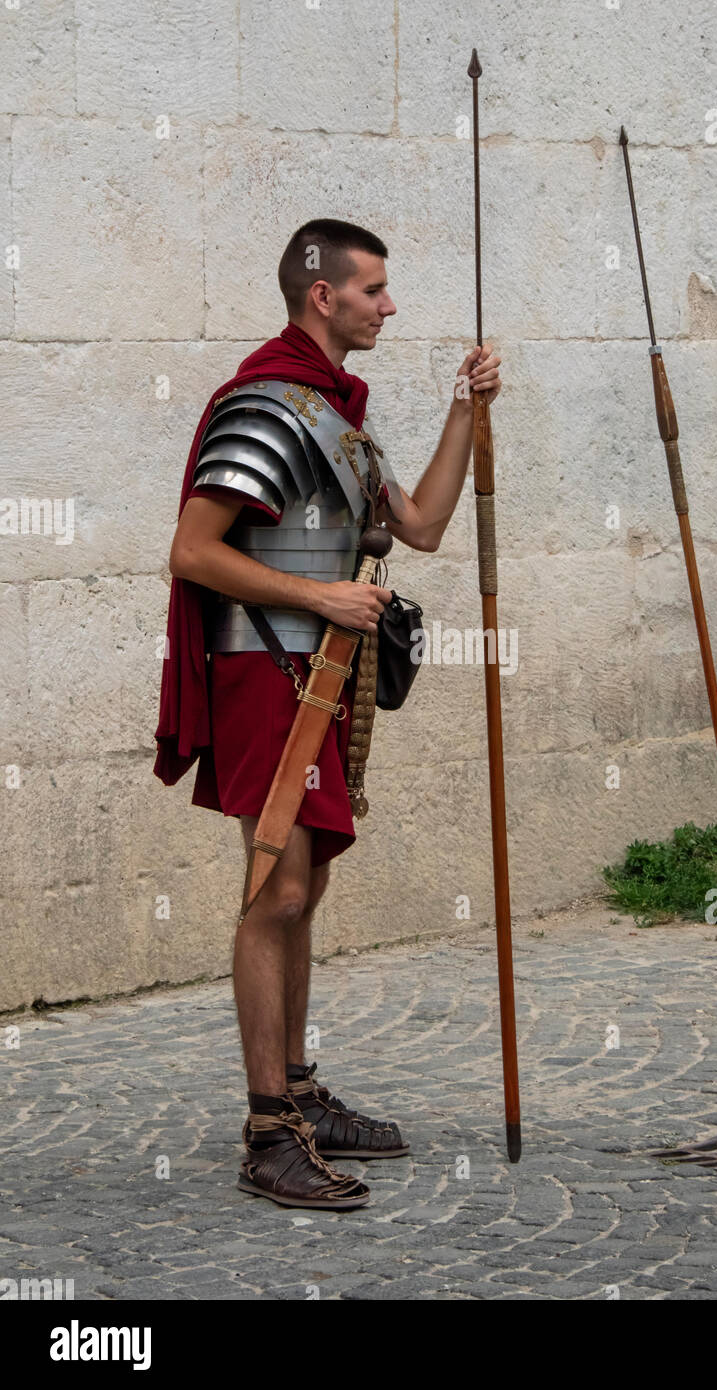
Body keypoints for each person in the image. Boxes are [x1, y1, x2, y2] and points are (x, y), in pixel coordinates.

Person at [154, 218, 501, 1209]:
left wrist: (465, 411)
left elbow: (420, 525)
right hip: (265, 671)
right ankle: (270, 1133)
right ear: (323, 294)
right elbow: (192, 550)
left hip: (324, 674)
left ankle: (299, 1090)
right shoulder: (267, 406)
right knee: (276, 892)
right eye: (374, 289)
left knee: (303, 890)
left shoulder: (339, 417)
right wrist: (320, 597)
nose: (389, 305)